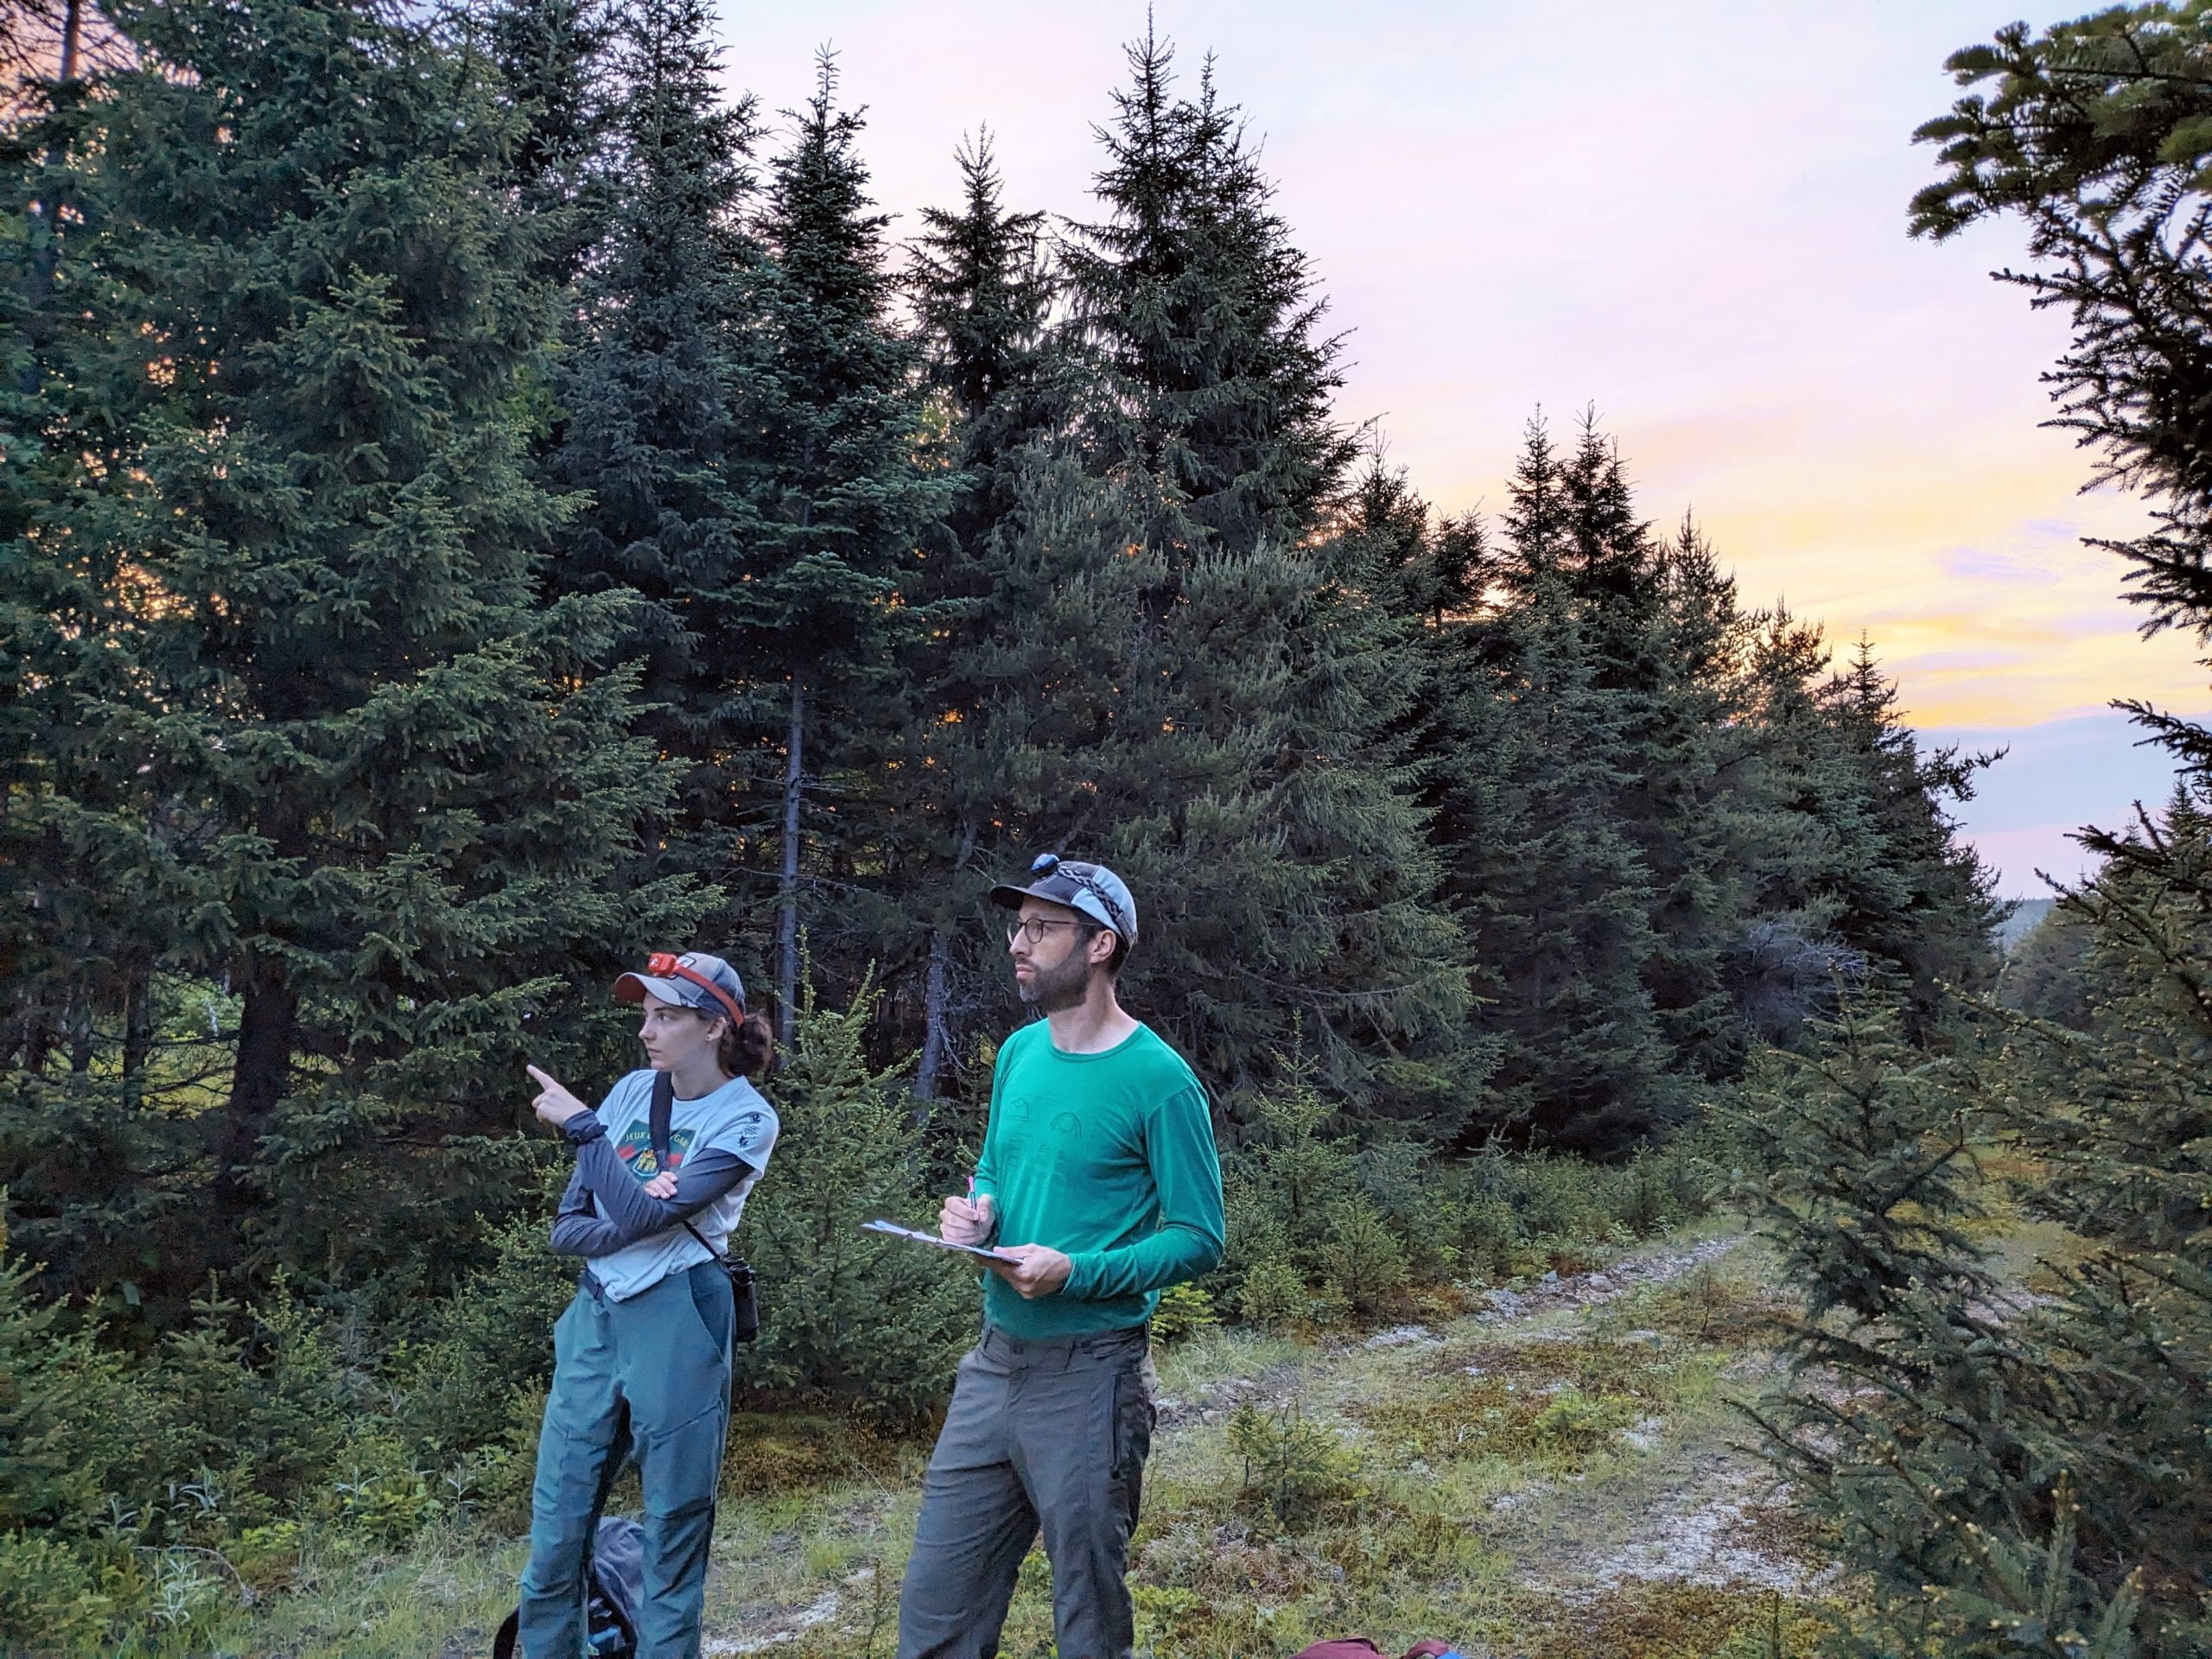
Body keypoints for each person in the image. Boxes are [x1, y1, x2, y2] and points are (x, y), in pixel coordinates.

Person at [896, 854, 1226, 1659]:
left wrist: (1078, 1271)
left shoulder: (1160, 1080)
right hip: (991, 1368)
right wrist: (977, 1212)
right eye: (1019, 926)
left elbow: (1199, 1236)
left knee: (1086, 1619)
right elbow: (996, 1166)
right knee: (934, 1614)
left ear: (1101, 945)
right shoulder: (1018, 1054)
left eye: (1043, 928)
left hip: (1091, 1379)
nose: (1020, 942)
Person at [516, 951, 779, 1659]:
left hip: (681, 1313)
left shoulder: (747, 1119)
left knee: (674, 1526)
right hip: (597, 1311)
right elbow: (569, 1224)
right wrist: (629, 1214)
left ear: (712, 1027)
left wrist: (584, 1131)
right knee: (557, 1528)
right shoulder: (633, 1091)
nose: (647, 1031)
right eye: (645, 1015)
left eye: (665, 1016)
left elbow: (645, 1216)